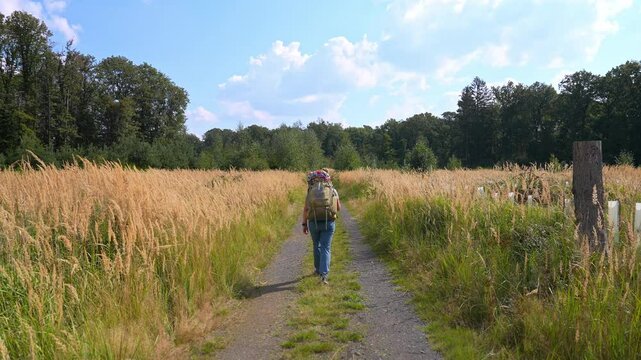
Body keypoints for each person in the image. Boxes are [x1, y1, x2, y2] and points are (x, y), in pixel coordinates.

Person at [302, 169, 341, 284]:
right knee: (326, 247)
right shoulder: (332, 190)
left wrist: (304, 224)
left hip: (313, 222)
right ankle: (324, 275)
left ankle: (318, 270)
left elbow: (305, 209)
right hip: (328, 222)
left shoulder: (310, 191)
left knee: (316, 245)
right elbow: (338, 208)